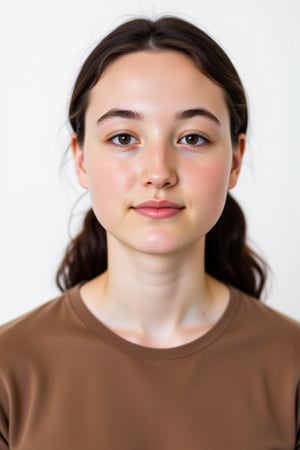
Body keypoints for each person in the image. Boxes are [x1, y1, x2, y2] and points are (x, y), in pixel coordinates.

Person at [0, 16, 299, 450]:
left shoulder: (290, 366)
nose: (158, 173)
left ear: (235, 159)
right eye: (124, 137)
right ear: (81, 159)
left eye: (193, 138)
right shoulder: (10, 369)